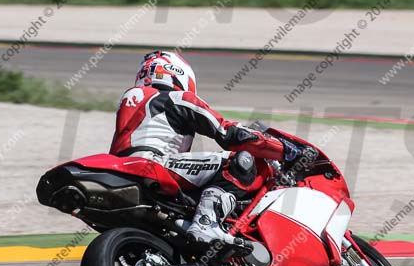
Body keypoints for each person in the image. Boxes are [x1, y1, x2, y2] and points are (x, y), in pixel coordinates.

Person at [109, 50, 306, 247]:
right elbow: (231, 134)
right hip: (153, 165)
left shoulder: (131, 98)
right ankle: (206, 223)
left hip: (121, 170)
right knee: (240, 160)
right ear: (178, 74)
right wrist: (286, 150)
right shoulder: (177, 98)